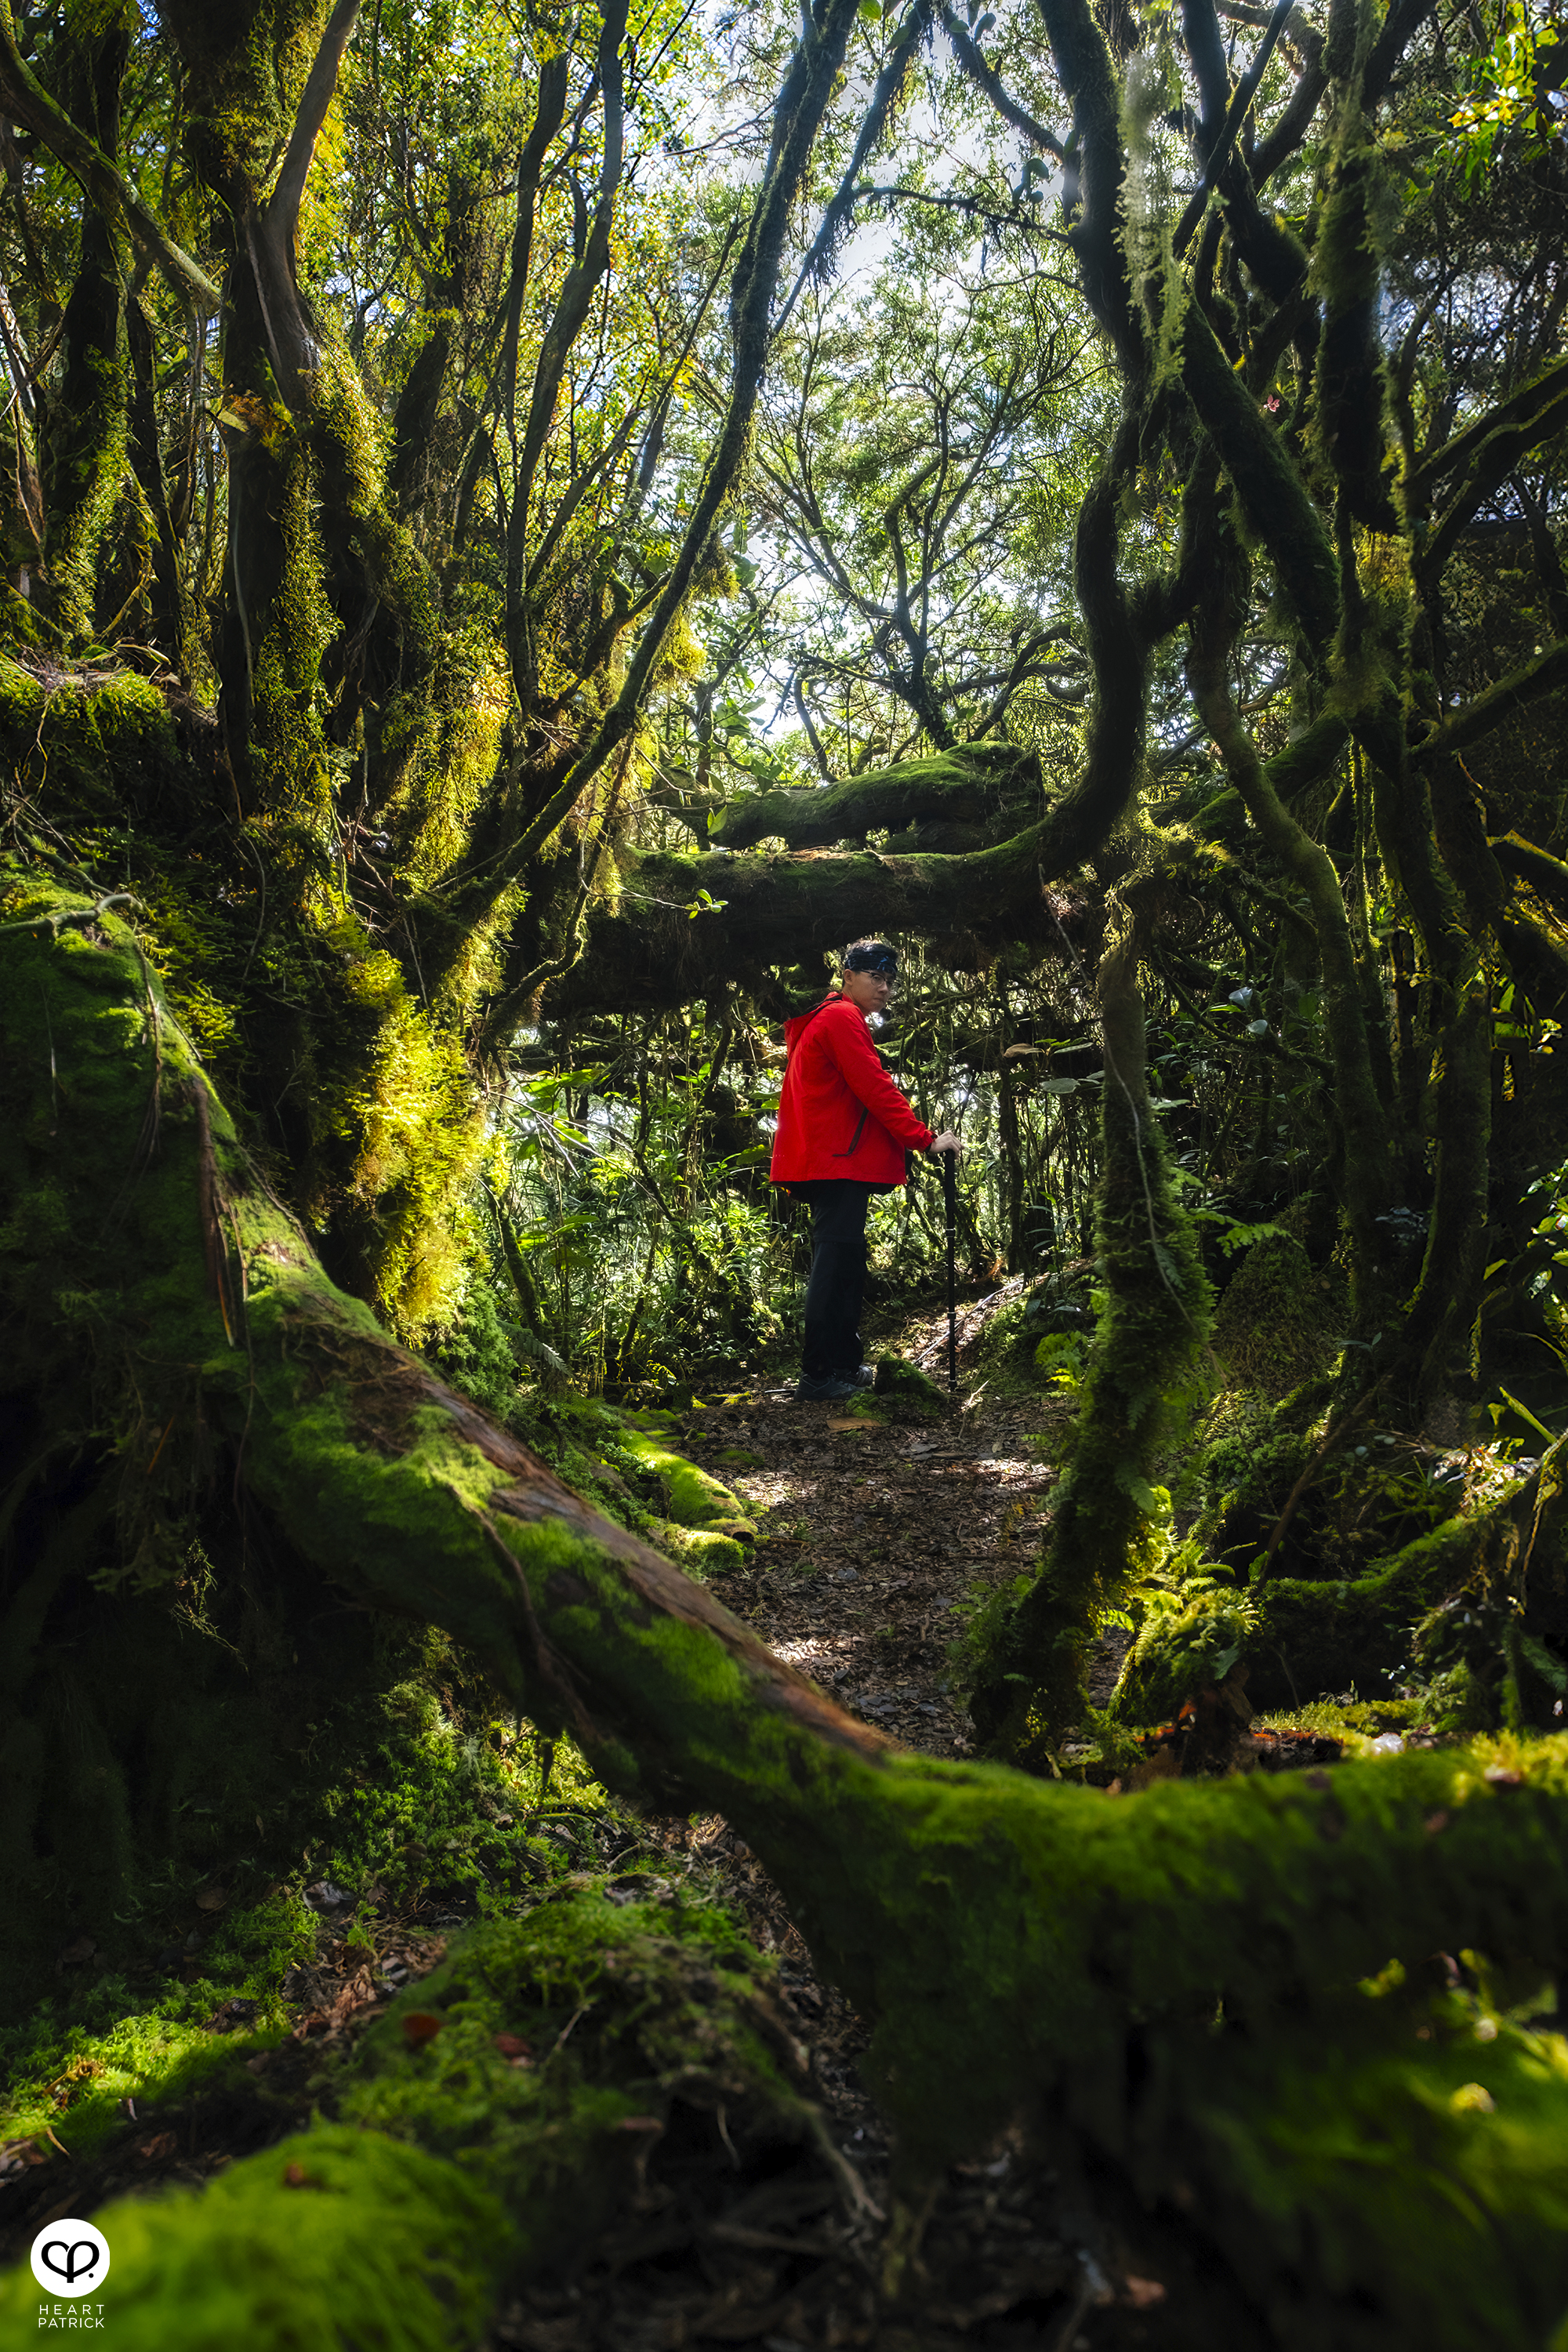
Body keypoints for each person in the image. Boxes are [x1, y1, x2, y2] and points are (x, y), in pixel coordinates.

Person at [770, 939, 960, 1400]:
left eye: (891, 981)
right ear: (847, 975)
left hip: (836, 1161)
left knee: (847, 1262)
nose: (886, 989)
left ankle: (843, 1364)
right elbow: (875, 1087)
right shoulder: (839, 1018)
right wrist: (925, 1138)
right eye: (876, 977)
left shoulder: (835, 1018)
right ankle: (818, 1373)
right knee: (835, 1263)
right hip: (835, 1162)